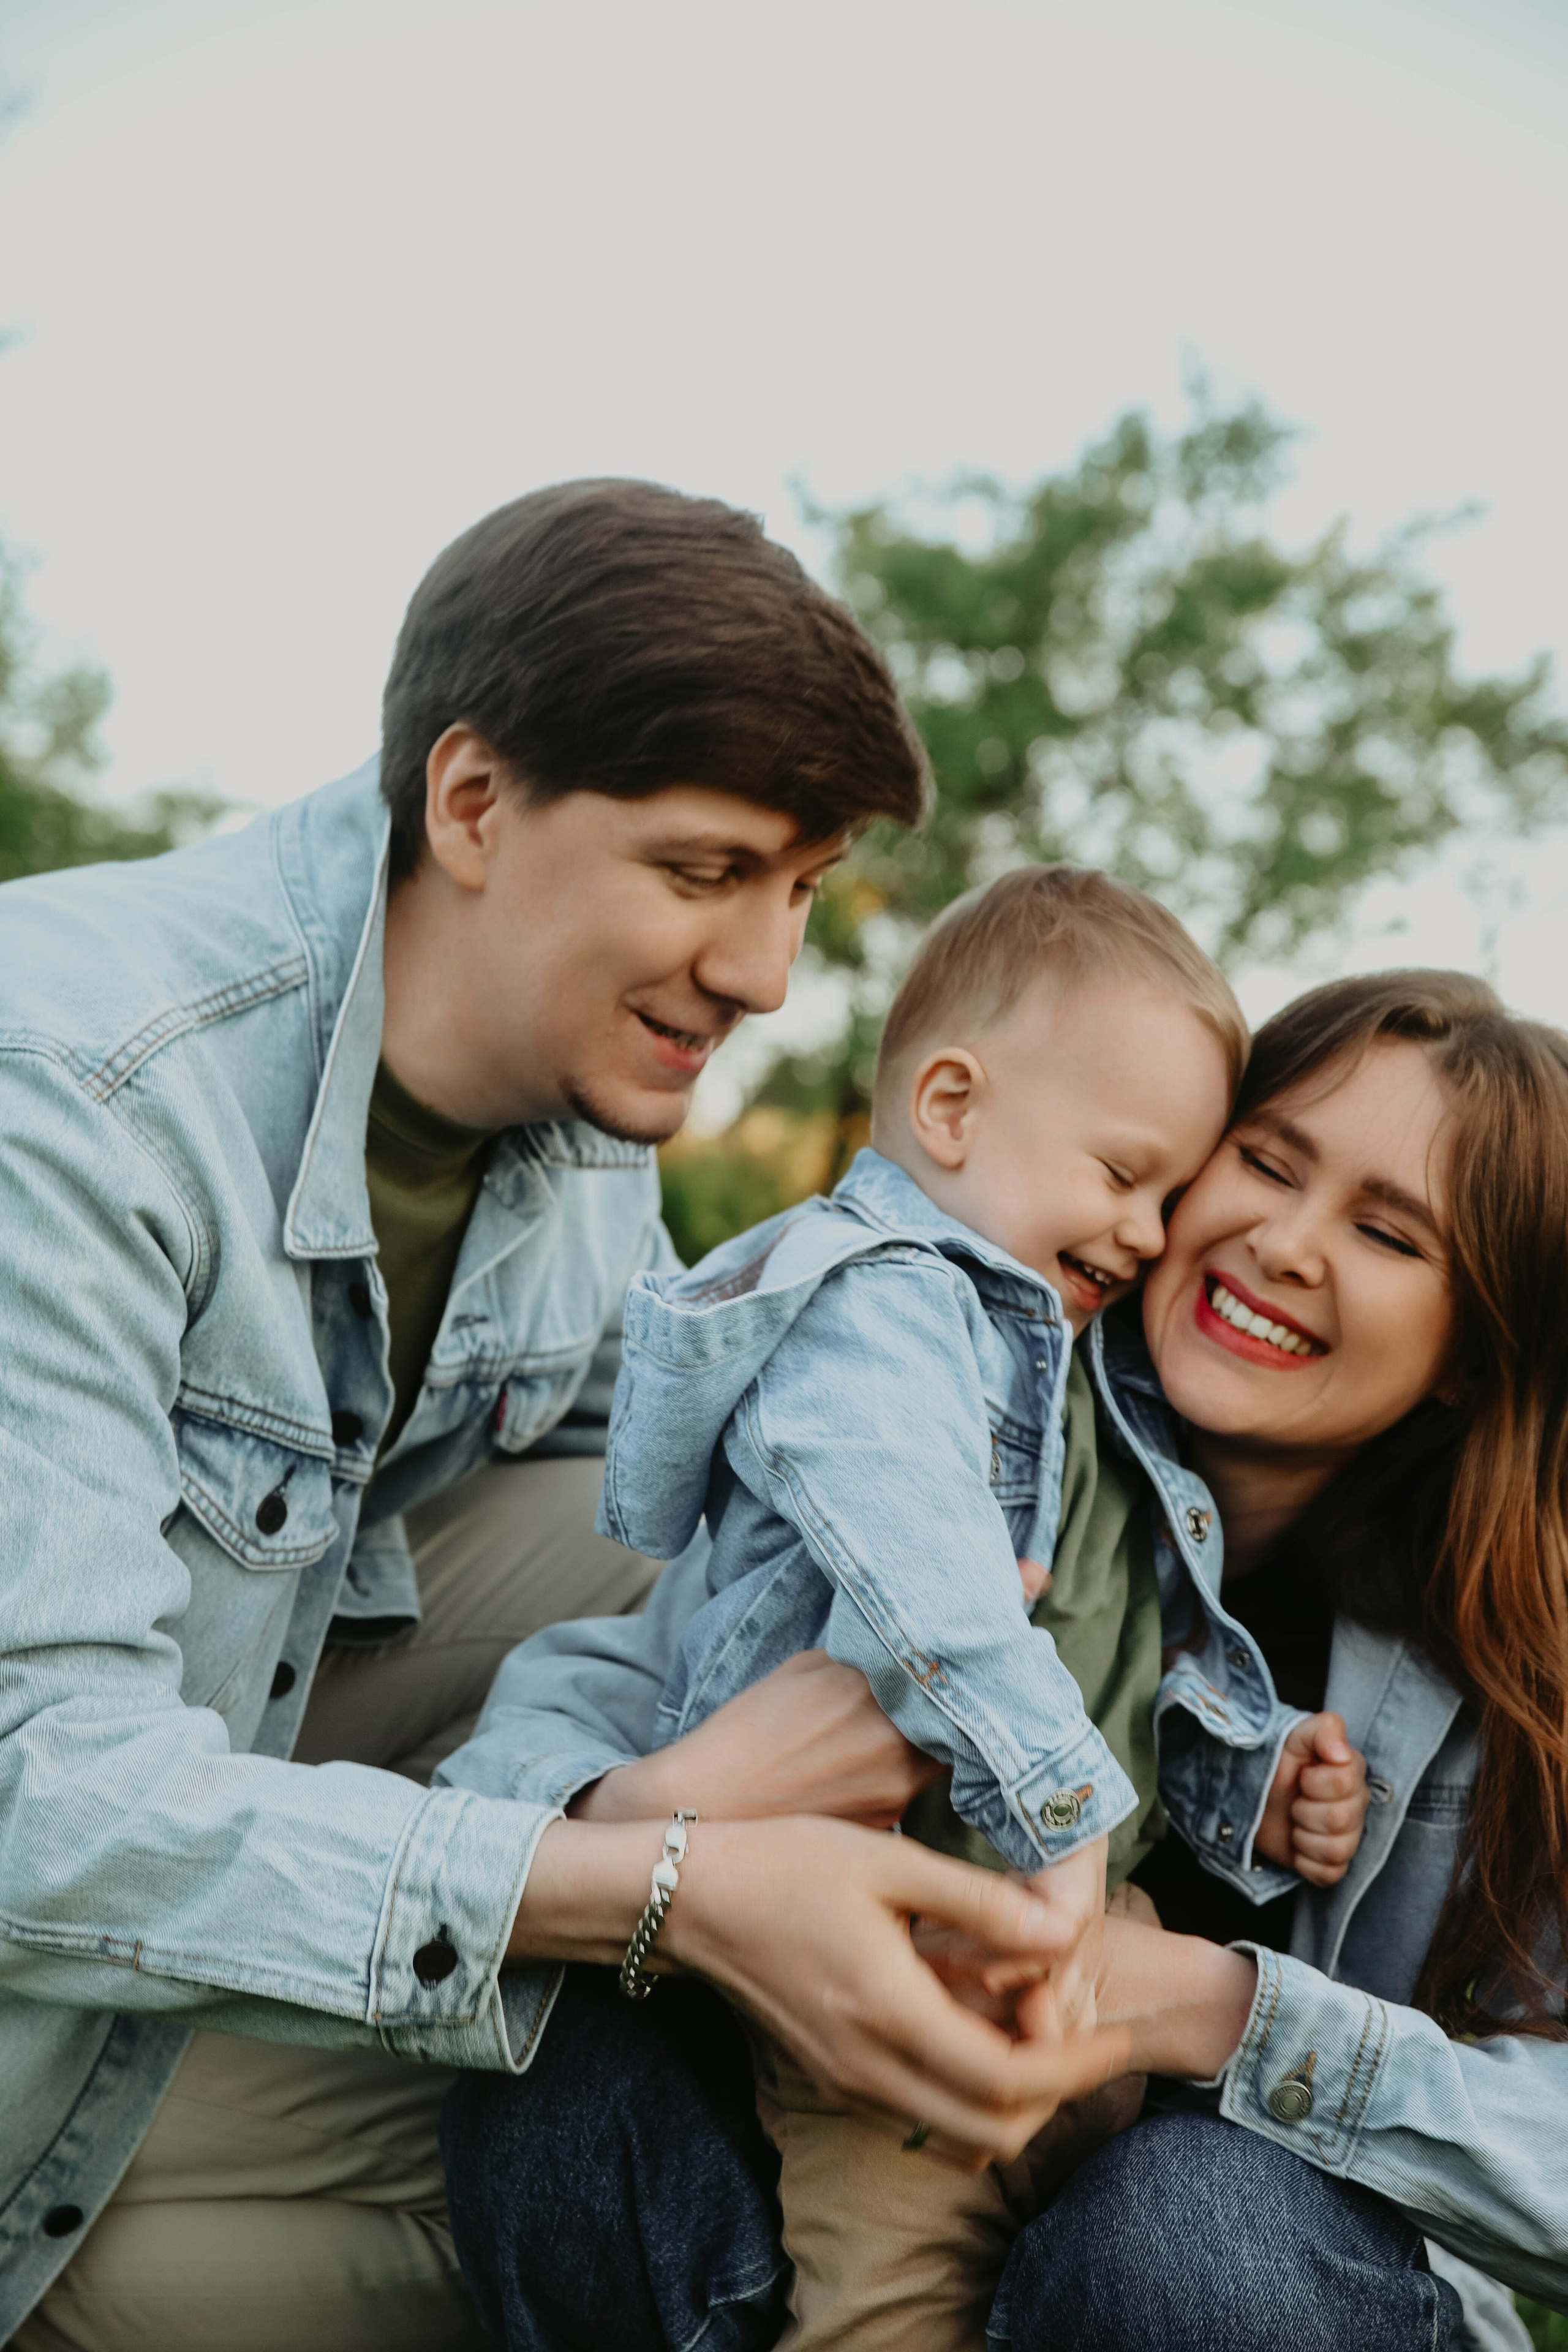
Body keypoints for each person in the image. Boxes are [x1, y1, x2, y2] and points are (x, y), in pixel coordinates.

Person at [0, 480, 1126, 2352]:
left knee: (782, 1507)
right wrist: (654, 1877)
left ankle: (1005, 2167)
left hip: (242, 1781)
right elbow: (30, 1792)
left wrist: (650, 1796)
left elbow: (609, 1530)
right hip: (62, 1816)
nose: (768, 977)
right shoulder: (73, 1094)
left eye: (801, 891)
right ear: (470, 802)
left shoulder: (577, 1115)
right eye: (705, 872)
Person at [440, 968, 1568, 2352]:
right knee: (565, 2066)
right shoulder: (965, 1410)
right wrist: (652, 1817)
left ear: (1471, 1348)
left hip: (1226, 2277)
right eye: (1265, 1163)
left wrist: (1214, 2013)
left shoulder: (1514, 1657)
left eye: (1386, 1234)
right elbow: (556, 1737)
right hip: (852, 2151)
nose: (1282, 1241)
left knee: (1189, 2237)